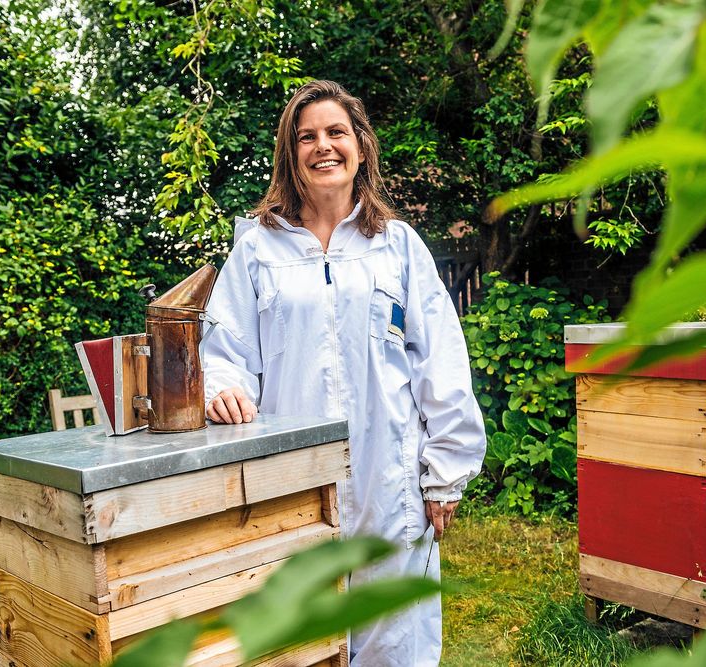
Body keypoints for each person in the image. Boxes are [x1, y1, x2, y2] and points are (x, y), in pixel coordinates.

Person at [201, 80, 486, 666]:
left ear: (360, 146)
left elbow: (441, 359)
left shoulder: (399, 246)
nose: (322, 146)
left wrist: (447, 471)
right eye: (306, 137)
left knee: (394, 633)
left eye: (336, 132)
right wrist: (224, 388)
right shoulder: (258, 250)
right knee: (304, 637)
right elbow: (225, 346)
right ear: (291, 155)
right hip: (293, 482)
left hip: (391, 478)